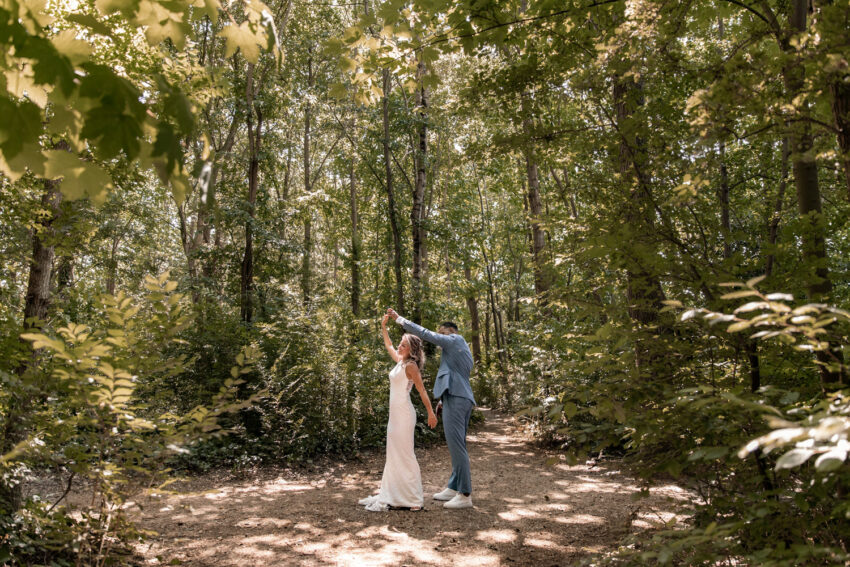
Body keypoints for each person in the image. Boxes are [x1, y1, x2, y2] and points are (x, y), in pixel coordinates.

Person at [387, 308, 475, 510]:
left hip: (458, 398)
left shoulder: (455, 340)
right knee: (456, 444)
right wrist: (443, 399)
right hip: (455, 396)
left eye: (443, 333)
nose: (440, 338)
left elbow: (426, 334)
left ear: (451, 332)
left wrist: (400, 319)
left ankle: (465, 493)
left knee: (457, 446)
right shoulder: (456, 350)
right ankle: (454, 487)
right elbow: (456, 376)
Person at [358, 314, 437, 512]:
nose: (400, 347)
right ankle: (393, 494)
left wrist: (430, 413)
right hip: (394, 417)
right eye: (400, 344)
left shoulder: (410, 366)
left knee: (405, 455)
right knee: (393, 455)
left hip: (404, 416)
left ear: (411, 350)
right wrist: (383, 326)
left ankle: (413, 499)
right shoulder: (400, 362)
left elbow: (422, 391)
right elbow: (389, 346)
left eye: (404, 345)